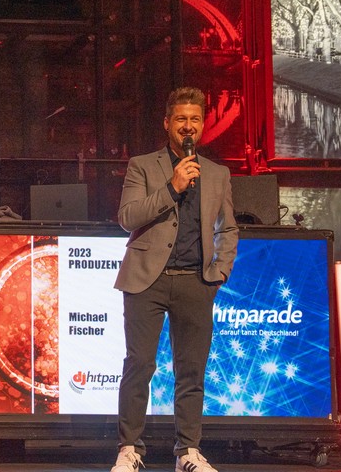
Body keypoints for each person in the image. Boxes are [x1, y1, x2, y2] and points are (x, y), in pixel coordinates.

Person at [111, 87, 238, 472]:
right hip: (146, 280)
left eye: (195, 119)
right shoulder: (142, 165)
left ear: (202, 126)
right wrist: (172, 187)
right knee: (139, 365)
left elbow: (227, 227)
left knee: (191, 370)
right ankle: (129, 448)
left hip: (195, 281)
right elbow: (128, 217)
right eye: (181, 119)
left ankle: (188, 452)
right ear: (167, 123)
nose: (188, 126)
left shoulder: (217, 173)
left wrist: (220, 271)